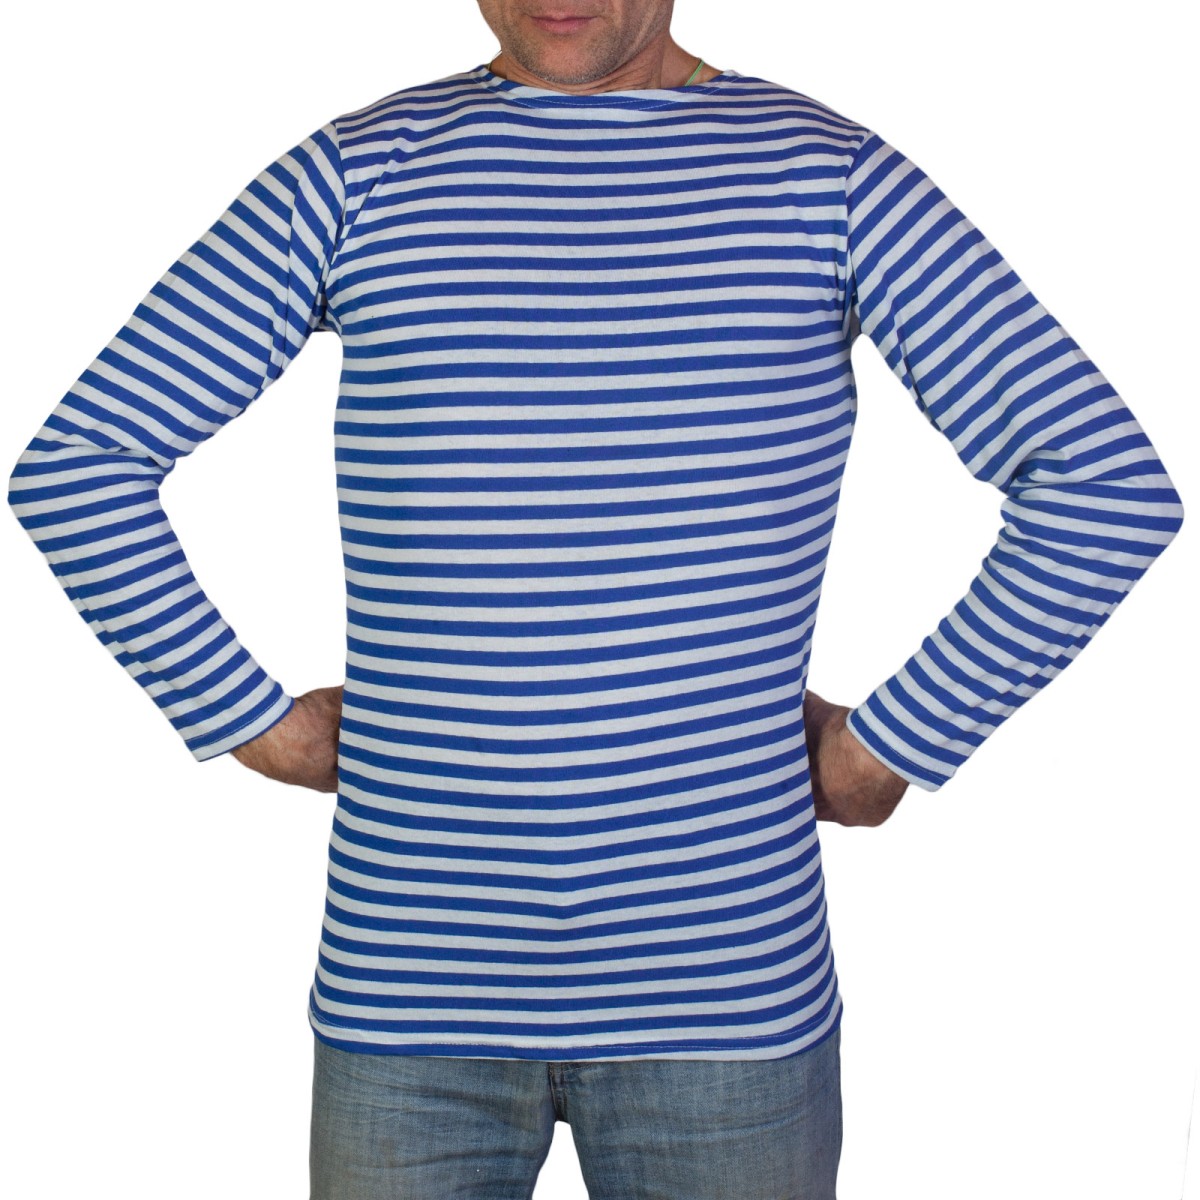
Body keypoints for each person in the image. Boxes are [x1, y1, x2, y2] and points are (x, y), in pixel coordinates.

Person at [6, 1, 1185, 1197]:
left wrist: (896, 743)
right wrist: (251, 721)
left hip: (725, 997)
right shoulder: (357, 174)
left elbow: (1101, 485)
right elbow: (80, 465)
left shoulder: (828, 179)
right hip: (409, 989)